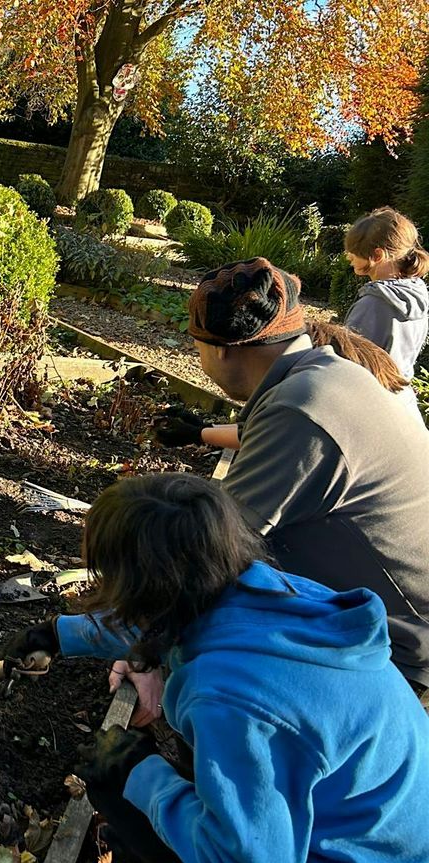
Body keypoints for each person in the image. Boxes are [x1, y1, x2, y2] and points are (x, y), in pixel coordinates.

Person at [4, 473, 429, 863]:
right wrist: (59, 634)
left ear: (140, 589)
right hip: (394, 851)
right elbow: (170, 623)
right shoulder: (271, 593)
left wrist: (141, 772)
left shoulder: (230, 698)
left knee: (111, 779)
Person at [152, 258, 429, 710]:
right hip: (393, 621)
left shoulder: (300, 410)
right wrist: (199, 432)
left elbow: (209, 553)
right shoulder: (331, 376)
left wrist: (130, 644)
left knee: (209, 677)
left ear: (221, 349)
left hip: (399, 656)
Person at [154, 319, 416, 451]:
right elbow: (257, 433)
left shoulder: (316, 394)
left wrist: (199, 433)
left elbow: (275, 436)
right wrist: (200, 431)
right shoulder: (359, 377)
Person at [343, 206, 429, 381]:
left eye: (354, 253)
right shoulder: (416, 293)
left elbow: (346, 365)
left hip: (369, 398)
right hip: (400, 398)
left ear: (377, 255)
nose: (349, 258)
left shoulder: (374, 304)